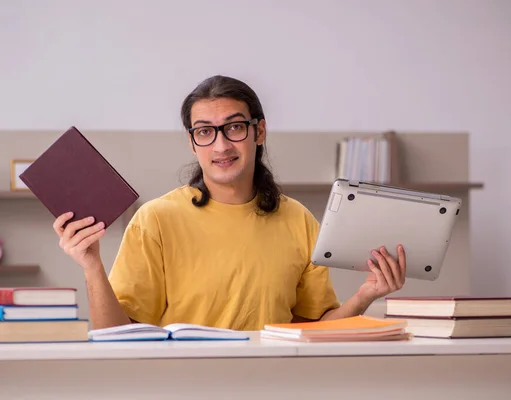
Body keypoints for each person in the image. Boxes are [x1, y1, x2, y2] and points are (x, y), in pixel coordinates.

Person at [53, 75, 406, 331]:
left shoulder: (298, 219)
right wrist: (92, 267)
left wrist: (365, 296)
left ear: (259, 132)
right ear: (193, 143)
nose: (221, 146)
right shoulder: (156, 219)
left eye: (234, 127)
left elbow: (313, 332)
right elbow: (114, 336)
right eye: (205, 131)